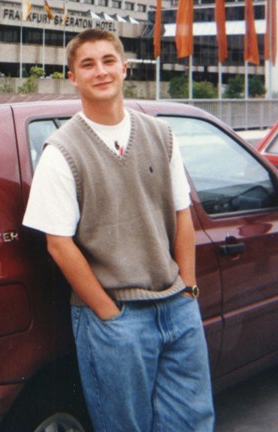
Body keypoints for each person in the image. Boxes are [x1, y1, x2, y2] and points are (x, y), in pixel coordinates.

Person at [23, 28, 214, 432]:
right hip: (117, 318)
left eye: (108, 61)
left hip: (176, 307)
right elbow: (59, 245)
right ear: (72, 77)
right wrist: (109, 314)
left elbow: (182, 213)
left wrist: (189, 290)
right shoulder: (61, 152)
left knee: (192, 423)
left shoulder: (160, 134)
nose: (101, 71)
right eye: (87, 64)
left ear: (124, 68)